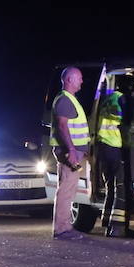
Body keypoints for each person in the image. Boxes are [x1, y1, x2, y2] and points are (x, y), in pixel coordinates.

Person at [50, 66, 91, 240]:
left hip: (73, 151)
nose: (82, 81)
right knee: (66, 189)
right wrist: (71, 150)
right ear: (69, 80)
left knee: (69, 188)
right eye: (79, 78)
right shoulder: (65, 100)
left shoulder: (69, 99)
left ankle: (65, 226)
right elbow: (62, 126)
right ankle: (62, 229)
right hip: (70, 152)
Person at [96, 74, 134, 238]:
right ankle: (118, 228)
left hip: (103, 146)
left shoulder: (109, 98)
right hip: (116, 146)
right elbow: (128, 123)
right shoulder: (123, 100)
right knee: (121, 188)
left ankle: (107, 222)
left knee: (110, 187)